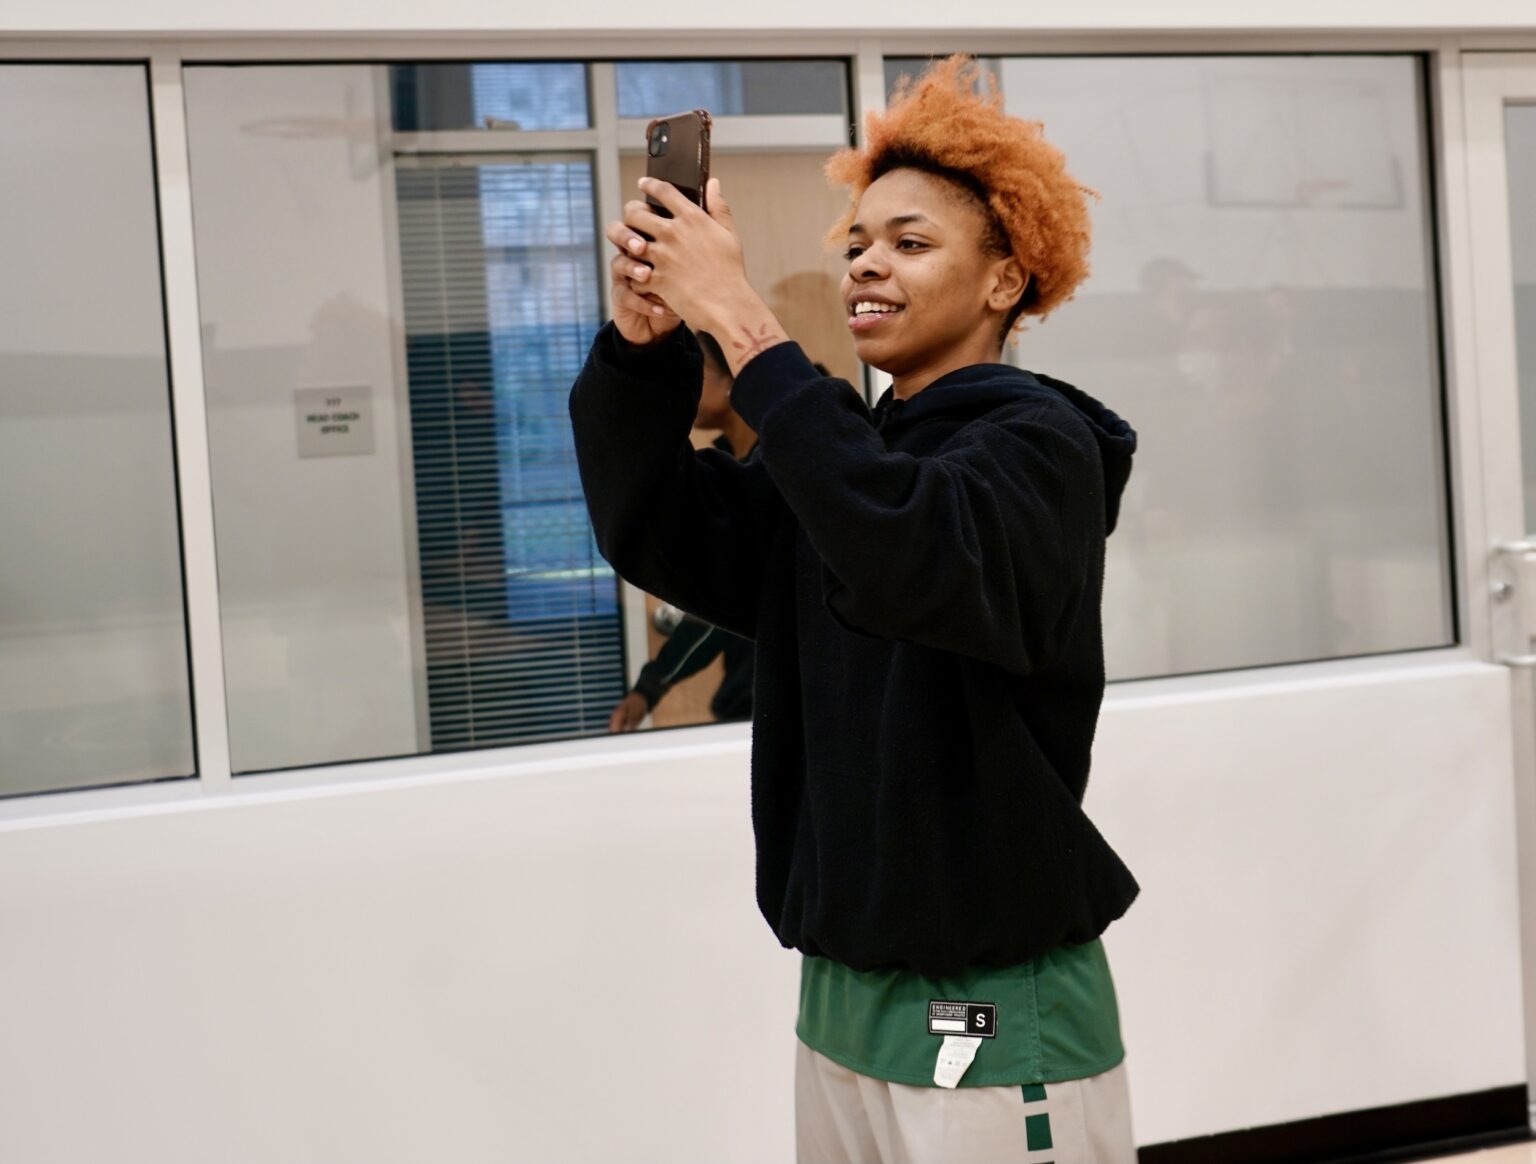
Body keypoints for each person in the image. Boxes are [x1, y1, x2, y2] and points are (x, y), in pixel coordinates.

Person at [570, 54, 1139, 1163]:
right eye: (859, 244)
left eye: (911, 244)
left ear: (1005, 283)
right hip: (840, 994)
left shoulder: (1037, 448)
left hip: (989, 1001)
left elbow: (906, 549)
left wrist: (743, 322)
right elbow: (658, 528)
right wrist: (645, 351)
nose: (868, 265)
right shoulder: (846, 459)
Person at [608, 331, 759, 732]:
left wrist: (651, 686)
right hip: (748, 699)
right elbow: (712, 603)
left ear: (732, 380)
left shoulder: (778, 466)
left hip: (784, 696)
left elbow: (719, 601)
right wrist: (650, 688)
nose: (686, 381)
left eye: (698, 370)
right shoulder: (719, 468)